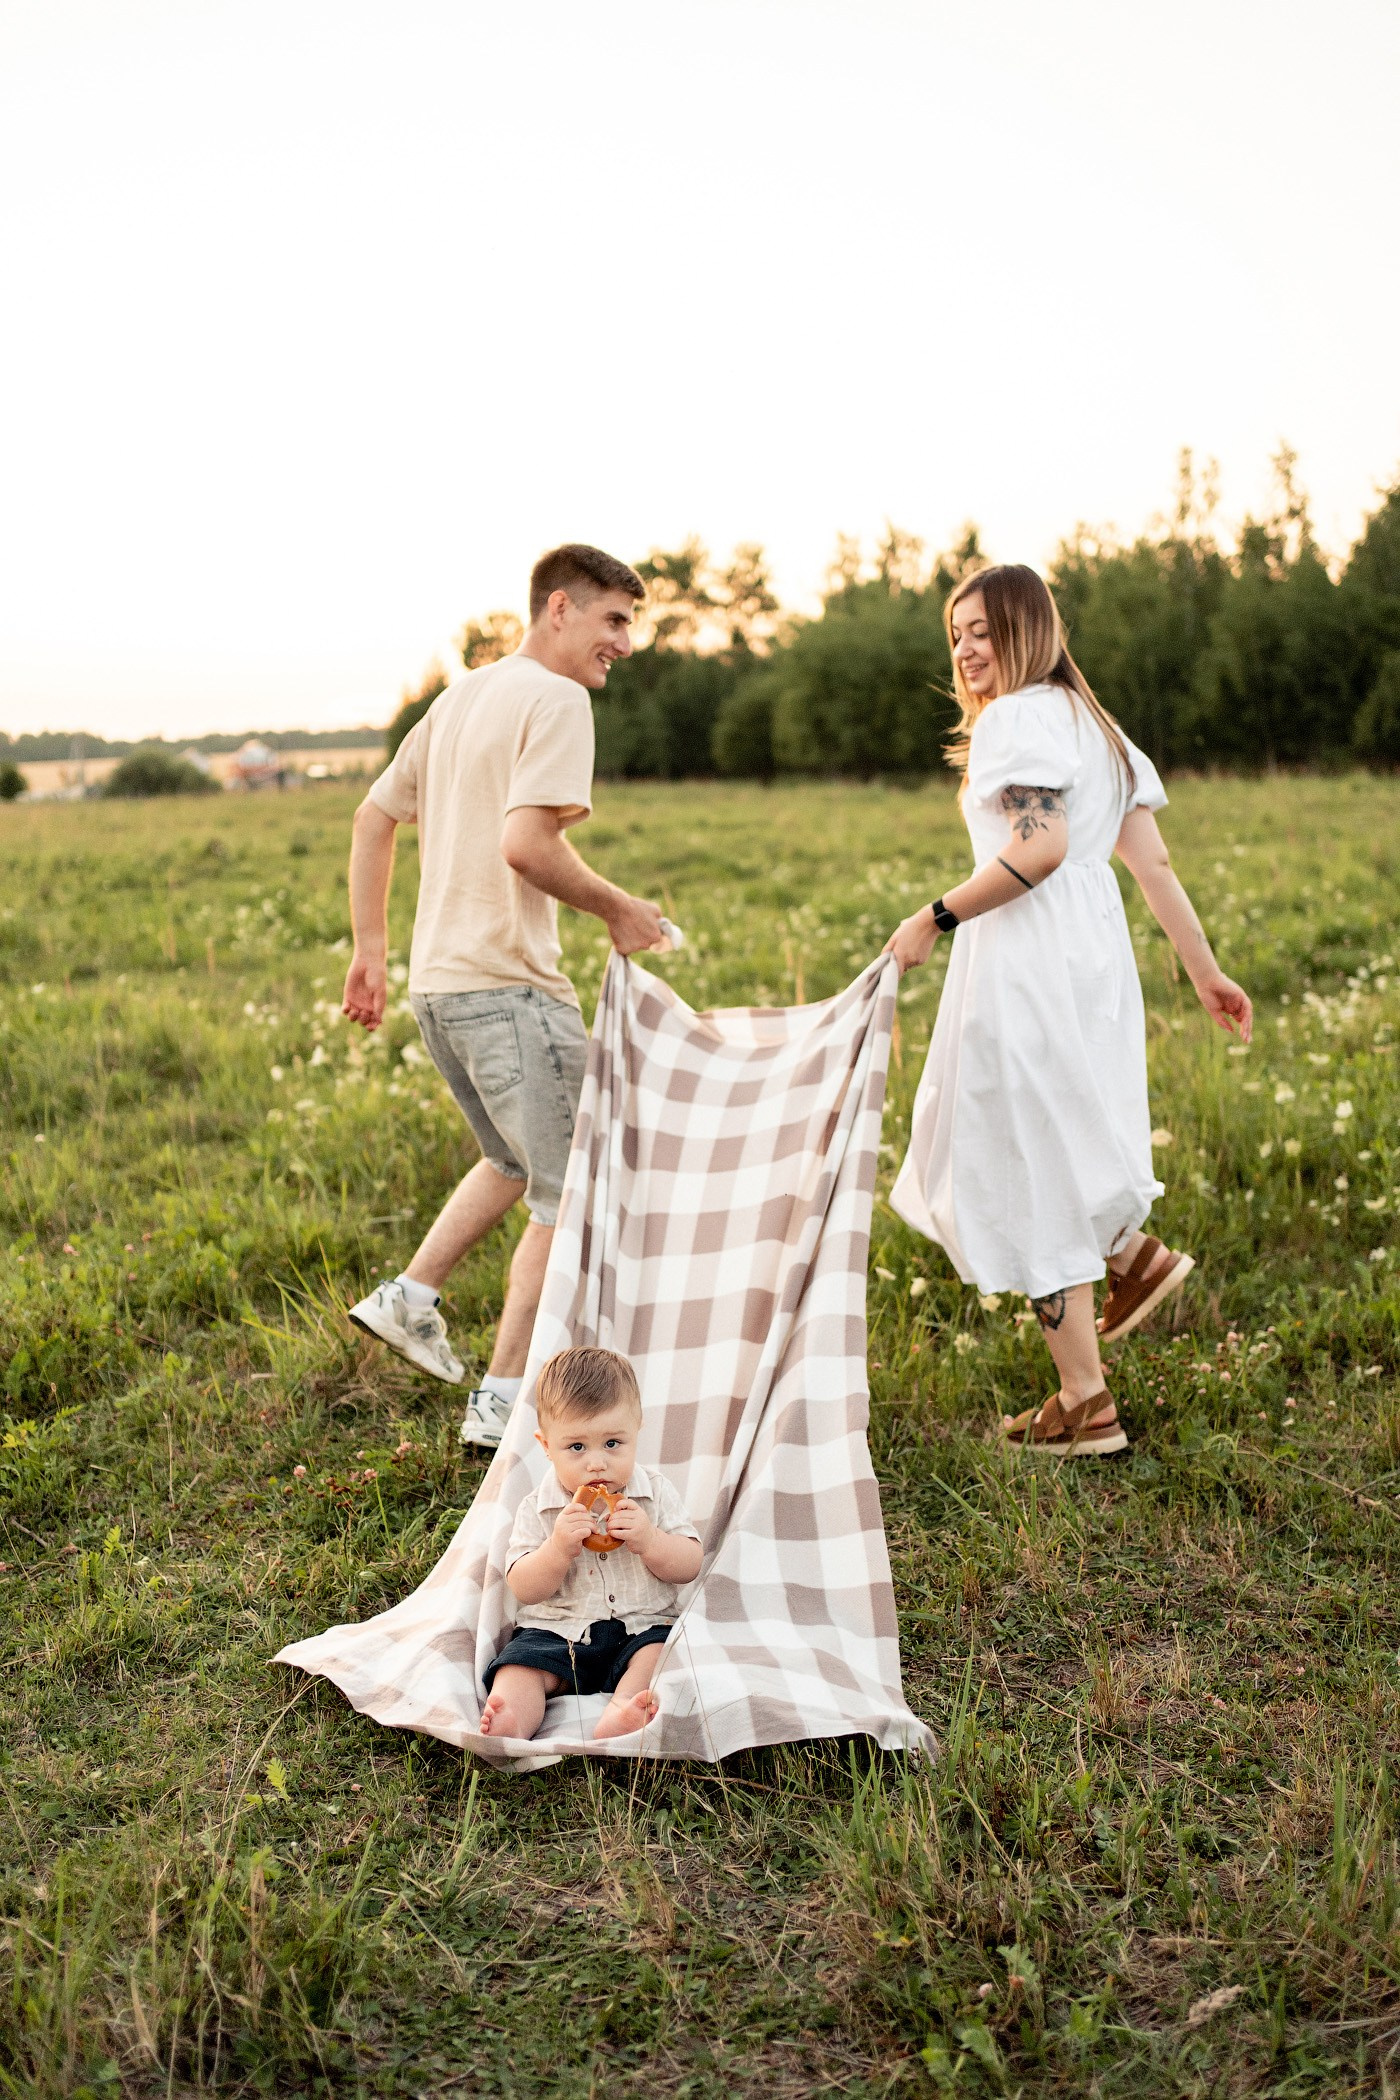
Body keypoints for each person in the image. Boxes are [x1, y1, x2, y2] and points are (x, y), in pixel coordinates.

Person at [882, 564, 1252, 1457]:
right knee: (1059, 1130)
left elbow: (1040, 846)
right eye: (956, 635)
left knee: (1024, 1158)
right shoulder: (1096, 724)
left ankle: (1086, 1403)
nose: (966, 651)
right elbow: (1152, 866)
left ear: (1027, 629)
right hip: (1093, 966)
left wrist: (932, 918)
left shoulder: (1017, 718)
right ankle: (1129, 1257)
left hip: (1028, 959)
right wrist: (1206, 973)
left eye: (982, 631)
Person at [342, 544, 666, 1450]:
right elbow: (527, 845)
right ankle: (502, 1402)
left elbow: (373, 817)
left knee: (514, 1162)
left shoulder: (459, 698)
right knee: (568, 1198)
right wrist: (620, 908)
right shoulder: (557, 699)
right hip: (513, 991)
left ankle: (409, 1297)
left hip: (440, 991)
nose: (625, 643)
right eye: (613, 620)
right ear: (558, 608)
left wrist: (371, 949)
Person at [479, 1346, 704, 1743]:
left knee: (662, 1655)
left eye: (613, 1443)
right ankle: (512, 1715)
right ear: (546, 1446)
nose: (596, 1463)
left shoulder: (655, 1493)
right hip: (558, 1631)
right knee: (520, 1663)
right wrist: (555, 1551)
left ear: (637, 1430)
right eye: (577, 1447)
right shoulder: (538, 1506)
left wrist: (651, 1540)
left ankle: (624, 1711)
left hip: (642, 1626)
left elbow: (689, 1564)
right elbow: (524, 1587)